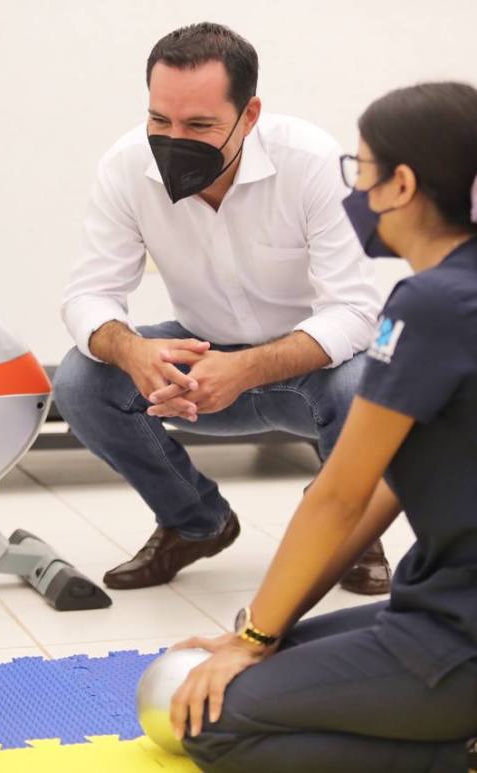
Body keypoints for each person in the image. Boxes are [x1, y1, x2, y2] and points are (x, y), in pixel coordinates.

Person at [169, 81, 477, 773]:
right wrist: (262, 632)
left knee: (215, 723)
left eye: (360, 169)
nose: (354, 189)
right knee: (283, 646)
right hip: (443, 604)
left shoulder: (430, 305)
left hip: (459, 637)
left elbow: (339, 495)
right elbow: (381, 497)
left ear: (402, 185)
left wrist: (251, 640)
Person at [53, 22, 390, 594]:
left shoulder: (310, 161)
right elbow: (88, 294)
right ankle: (196, 523)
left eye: (199, 125)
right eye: (160, 120)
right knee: (82, 381)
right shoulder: (126, 166)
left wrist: (245, 368)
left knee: (367, 381)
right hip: (202, 365)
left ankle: (349, 531)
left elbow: (356, 312)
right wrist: (132, 351)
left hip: (313, 374)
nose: (174, 139)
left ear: (249, 115)